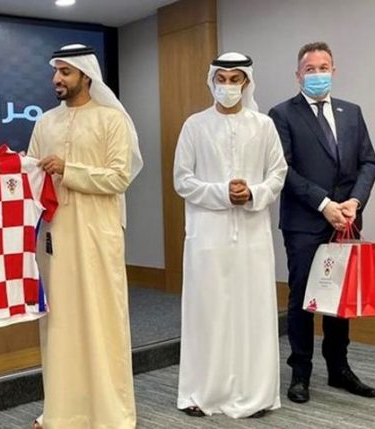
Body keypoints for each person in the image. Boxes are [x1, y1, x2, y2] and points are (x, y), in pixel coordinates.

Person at [28, 44, 143, 429]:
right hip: (55, 237)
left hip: (97, 235)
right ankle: (61, 413)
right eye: (55, 71)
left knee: (102, 321)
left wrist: (69, 169)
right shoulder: (45, 123)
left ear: (86, 76)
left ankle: (108, 414)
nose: (57, 79)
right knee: (60, 324)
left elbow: (119, 177)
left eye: (65, 72)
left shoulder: (112, 120)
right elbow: (29, 172)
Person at [173, 52, 286, 419]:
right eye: (221, 79)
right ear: (212, 81)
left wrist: (252, 192)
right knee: (208, 313)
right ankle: (201, 393)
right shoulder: (194, 125)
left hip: (252, 235)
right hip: (207, 235)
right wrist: (223, 192)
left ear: (246, 83)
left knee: (252, 313)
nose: (227, 86)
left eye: (235, 79)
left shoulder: (264, 126)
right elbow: (182, 180)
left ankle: (255, 393)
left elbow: (278, 173)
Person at [269, 41, 375, 404]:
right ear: (298, 75)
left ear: (334, 70)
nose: (318, 74)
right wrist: (324, 204)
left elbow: (368, 162)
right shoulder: (282, 114)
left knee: (338, 297)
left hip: (346, 220)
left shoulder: (351, 112)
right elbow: (282, 169)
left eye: (323, 67)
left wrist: (354, 202)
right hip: (304, 222)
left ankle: (338, 368)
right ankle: (300, 371)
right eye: (310, 69)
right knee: (302, 297)